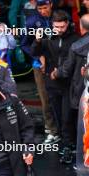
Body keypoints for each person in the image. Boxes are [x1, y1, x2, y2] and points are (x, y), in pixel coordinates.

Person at [31, 10, 80, 163]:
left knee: (67, 116)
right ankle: (63, 141)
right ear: (52, 25)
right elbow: (34, 52)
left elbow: (73, 63)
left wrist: (60, 72)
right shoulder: (48, 38)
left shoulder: (74, 39)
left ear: (68, 25)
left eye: (62, 27)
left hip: (68, 83)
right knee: (57, 114)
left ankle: (68, 144)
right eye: (56, 26)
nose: (59, 29)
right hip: (52, 83)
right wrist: (37, 41)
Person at [51, 13, 89, 168]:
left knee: (76, 121)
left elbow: (65, 70)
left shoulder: (77, 46)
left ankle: (75, 152)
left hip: (80, 91)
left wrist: (54, 73)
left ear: (80, 27)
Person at [21, 0, 58, 144]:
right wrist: (38, 56)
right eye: (40, 8)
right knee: (45, 98)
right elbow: (24, 44)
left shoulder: (59, 17)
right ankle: (50, 130)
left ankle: (64, 130)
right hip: (39, 66)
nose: (43, 11)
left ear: (51, 5)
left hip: (58, 64)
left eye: (45, 7)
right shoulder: (31, 22)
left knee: (61, 97)